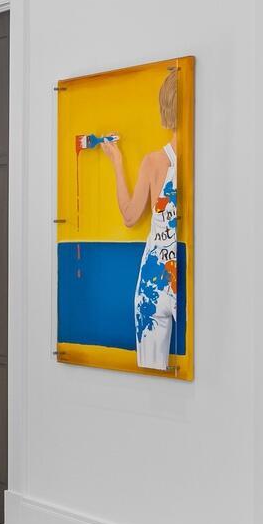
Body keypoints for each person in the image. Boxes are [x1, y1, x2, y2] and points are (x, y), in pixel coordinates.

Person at [92, 66, 183, 370]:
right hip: (187, 272)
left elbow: (130, 215)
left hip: (154, 276)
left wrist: (117, 163)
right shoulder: (203, 161)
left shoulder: (155, 162)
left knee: (151, 373)